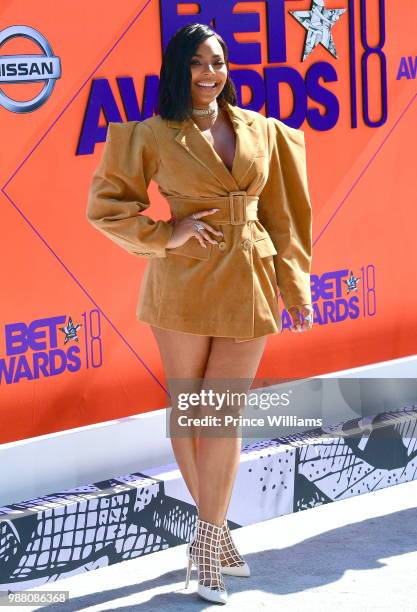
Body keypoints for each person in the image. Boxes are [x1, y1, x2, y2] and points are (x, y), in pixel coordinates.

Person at [86, 22, 313, 605]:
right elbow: (107, 208)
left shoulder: (263, 131)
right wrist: (167, 233)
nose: (209, 74)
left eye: (217, 62)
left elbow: (288, 215)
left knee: (221, 415)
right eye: (197, 64)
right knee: (193, 410)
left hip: (249, 279)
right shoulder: (152, 134)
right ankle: (214, 536)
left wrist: (296, 287)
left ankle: (207, 537)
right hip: (182, 283)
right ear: (177, 69)